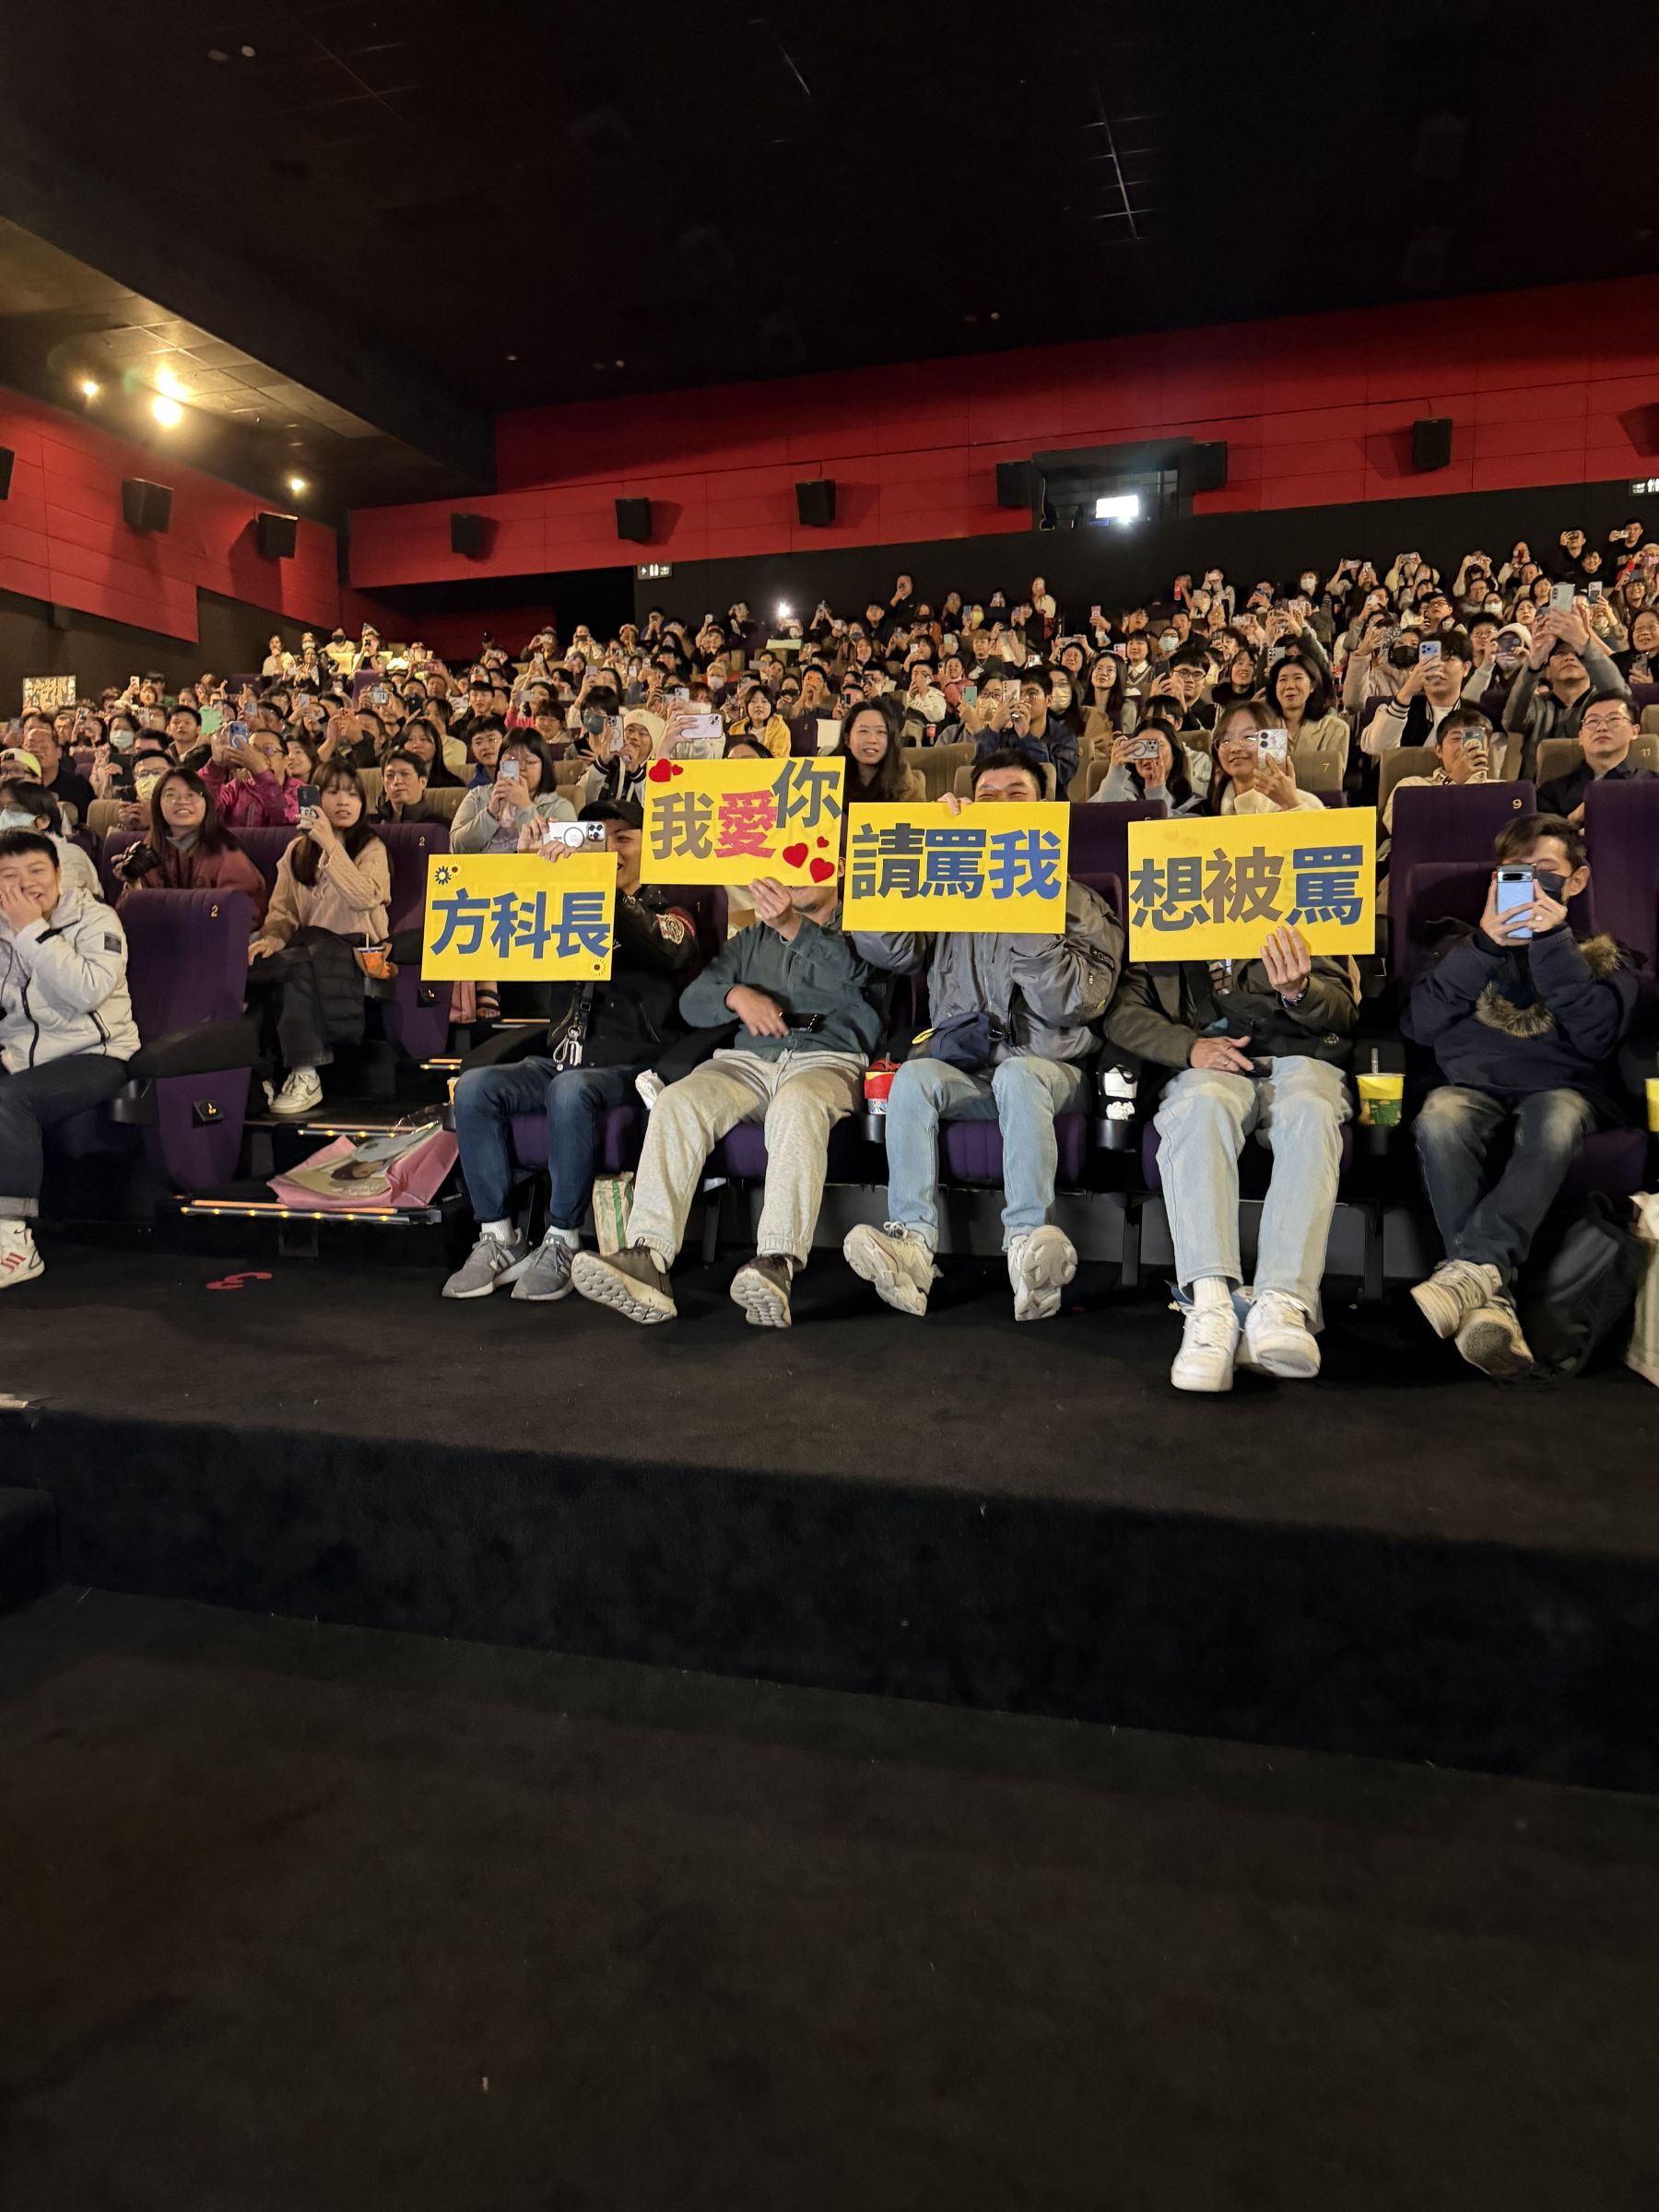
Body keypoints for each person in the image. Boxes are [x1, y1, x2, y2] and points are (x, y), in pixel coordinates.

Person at [843, 749, 1124, 1321]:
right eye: (987, 797)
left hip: (1051, 1071)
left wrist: (1028, 905)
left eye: (1016, 796)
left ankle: (1027, 1242)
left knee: (1019, 1075)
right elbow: (890, 950)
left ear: (1044, 809)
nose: (1000, 806)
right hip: (968, 1068)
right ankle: (912, 1244)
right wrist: (912, 853)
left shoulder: (1081, 902)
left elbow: (1077, 1003)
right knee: (914, 1077)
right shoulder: (949, 886)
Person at [570, 863, 880, 1330]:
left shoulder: (866, 929)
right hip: (746, 1061)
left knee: (797, 1104)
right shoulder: (752, 938)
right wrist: (736, 995)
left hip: (827, 1060)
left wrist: (792, 927)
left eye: (808, 860)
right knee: (678, 1101)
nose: (795, 874)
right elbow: (693, 1001)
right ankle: (648, 1256)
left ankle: (776, 1261)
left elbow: (858, 974)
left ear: (836, 867)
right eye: (787, 864)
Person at [1405, 815, 1641, 1377]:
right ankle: (1490, 1298)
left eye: (1545, 871)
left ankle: (1470, 1274)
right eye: (1515, 871)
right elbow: (1420, 1025)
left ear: (1577, 881)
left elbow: (1598, 1037)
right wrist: (1485, 946)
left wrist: (1553, 944)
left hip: (1562, 1087)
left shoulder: (1602, 955)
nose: (1529, 882)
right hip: (1471, 1084)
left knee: (1556, 1120)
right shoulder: (1460, 947)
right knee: (1440, 1117)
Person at [442, 800, 702, 1302]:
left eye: (623, 839)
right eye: (597, 838)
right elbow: (508, 940)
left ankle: (562, 1237)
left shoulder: (672, 912)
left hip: (632, 1067)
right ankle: (498, 1236)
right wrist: (526, 868)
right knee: (475, 1087)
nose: (610, 849)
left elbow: (665, 947)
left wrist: (600, 884)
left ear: (649, 847)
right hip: (562, 1058)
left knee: (569, 1090)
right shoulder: (564, 903)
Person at [1104, 921, 1358, 1391]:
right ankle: (1211, 1306)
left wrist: (1300, 991)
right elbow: (1123, 1014)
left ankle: (1283, 1303)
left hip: (1299, 1060)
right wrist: (1188, 1047)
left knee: (1311, 1111)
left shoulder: (1291, 906)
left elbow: (1344, 1013)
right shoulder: (1164, 909)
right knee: (1201, 1106)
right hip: (1208, 1063)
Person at [0, 830, 141, 1286]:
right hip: (21, 1054)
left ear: (59, 874)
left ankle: (14, 1240)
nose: (25, 884)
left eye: (36, 871)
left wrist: (31, 932)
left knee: (10, 1099)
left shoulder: (96, 919)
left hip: (98, 1054)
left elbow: (87, 992)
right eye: (8, 875)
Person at [246, 766, 391, 1116]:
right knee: (259, 965)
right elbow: (282, 912)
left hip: (357, 949)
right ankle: (261, 1074)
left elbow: (364, 898)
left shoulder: (371, 846)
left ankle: (306, 1072)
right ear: (316, 800)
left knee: (299, 965)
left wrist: (330, 844)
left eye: (353, 794)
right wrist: (271, 939)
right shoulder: (296, 851)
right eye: (334, 792)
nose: (344, 801)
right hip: (309, 947)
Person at [114, 767, 270, 930]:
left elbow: (246, 913)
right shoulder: (150, 852)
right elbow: (127, 919)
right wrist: (134, 886)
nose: (182, 801)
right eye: (171, 795)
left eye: (192, 794)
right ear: (157, 805)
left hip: (211, 938)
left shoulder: (228, 855)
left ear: (206, 803)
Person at [1500, 602, 1629, 780]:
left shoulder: (1601, 705)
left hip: (1594, 790)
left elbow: (1621, 697)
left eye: (1578, 654)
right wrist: (1533, 664)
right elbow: (1511, 720)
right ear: (1547, 669)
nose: (1569, 657)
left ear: (1590, 664)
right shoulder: (1538, 705)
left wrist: (1584, 642)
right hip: (1540, 791)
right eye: (1560, 653)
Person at [1361, 630, 1483, 757]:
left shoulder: (1475, 716)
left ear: (1466, 668)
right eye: (1430, 660)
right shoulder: (1398, 707)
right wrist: (1407, 691)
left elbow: (1474, 760)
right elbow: (1377, 748)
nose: (1438, 667)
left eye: (1447, 659)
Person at [1535, 693, 1656, 819]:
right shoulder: (1551, 792)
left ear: (1634, 731)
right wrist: (1572, 822)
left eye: (1614, 719)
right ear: (1581, 736)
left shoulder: (1652, 785)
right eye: (1593, 721)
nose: (1602, 728)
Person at [451, 735, 575, 853]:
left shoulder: (560, 806)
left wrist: (525, 806)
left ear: (544, 767)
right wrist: (490, 814)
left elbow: (559, 857)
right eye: (511, 762)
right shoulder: (477, 796)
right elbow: (457, 848)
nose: (520, 768)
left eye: (529, 762)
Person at [979, 667, 1079, 795]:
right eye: (1019, 694)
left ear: (1048, 700)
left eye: (1032, 694)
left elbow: (1054, 779)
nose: (1024, 700)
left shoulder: (1064, 736)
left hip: (1050, 804)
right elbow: (979, 774)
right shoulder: (1007, 735)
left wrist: (1026, 738)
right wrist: (993, 728)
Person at [1208, 704, 1324, 814]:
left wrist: (1290, 805)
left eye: (1248, 737)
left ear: (1271, 743)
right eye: (1226, 740)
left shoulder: (1306, 803)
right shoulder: (1206, 809)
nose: (1235, 748)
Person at [0, 780, 101, 901]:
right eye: (1, 810)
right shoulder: (7, 854)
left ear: (42, 821)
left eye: (12, 809)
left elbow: (59, 909)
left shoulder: (67, 858)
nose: (4, 816)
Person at [1091, 721, 1209, 815]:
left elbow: (1170, 833)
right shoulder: (1121, 788)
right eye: (1141, 747)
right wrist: (1115, 773)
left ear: (1174, 752)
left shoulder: (1192, 801)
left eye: (1155, 746)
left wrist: (1156, 793)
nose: (1148, 756)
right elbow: (1103, 820)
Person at [200, 724, 299, 830]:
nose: (258, 756)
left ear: (286, 760)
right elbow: (204, 810)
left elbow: (287, 819)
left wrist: (260, 771)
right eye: (252, 750)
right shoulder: (236, 788)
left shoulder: (299, 790)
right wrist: (216, 766)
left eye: (268, 750)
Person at [834, 700, 925, 802]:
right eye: (863, 731)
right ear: (847, 739)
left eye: (881, 732)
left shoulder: (906, 784)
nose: (871, 739)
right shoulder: (828, 775)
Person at [579, 709, 661, 809]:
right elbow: (581, 798)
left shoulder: (657, 770)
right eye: (630, 730)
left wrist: (636, 773)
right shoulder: (609, 762)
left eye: (643, 733)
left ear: (654, 741)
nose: (634, 737)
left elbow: (657, 808)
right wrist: (601, 763)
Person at [373, 749, 438, 824]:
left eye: (405, 774)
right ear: (384, 784)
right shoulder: (370, 824)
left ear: (422, 782)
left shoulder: (438, 825)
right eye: (390, 775)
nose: (397, 781)